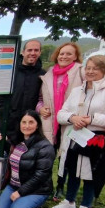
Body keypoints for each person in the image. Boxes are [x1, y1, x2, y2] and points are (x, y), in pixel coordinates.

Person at [51, 55, 105, 208]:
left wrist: (92, 119)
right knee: (72, 168)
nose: (90, 72)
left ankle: (86, 206)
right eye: (88, 68)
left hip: (96, 138)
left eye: (95, 69)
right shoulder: (78, 90)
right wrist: (72, 118)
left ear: (104, 71)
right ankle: (69, 201)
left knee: (92, 171)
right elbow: (61, 113)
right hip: (75, 136)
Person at [38, 42, 84, 199]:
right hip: (50, 121)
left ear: (76, 56)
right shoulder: (49, 74)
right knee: (49, 153)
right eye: (61, 53)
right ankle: (46, 185)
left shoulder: (81, 72)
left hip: (71, 121)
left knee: (67, 156)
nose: (64, 56)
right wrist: (40, 108)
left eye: (68, 54)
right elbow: (40, 99)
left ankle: (61, 186)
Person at [0, 111, 55, 208]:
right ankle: (17, 206)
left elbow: (41, 175)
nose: (27, 126)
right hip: (14, 186)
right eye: (24, 122)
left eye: (31, 122)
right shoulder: (17, 142)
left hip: (36, 190)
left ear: (37, 125)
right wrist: (4, 142)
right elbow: (14, 159)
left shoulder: (45, 147)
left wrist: (20, 192)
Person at [0, 40, 46, 141]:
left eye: (36, 50)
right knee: (6, 155)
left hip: (29, 127)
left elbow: (43, 98)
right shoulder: (9, 71)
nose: (32, 53)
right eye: (29, 50)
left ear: (40, 52)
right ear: (23, 52)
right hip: (8, 125)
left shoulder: (43, 75)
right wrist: (5, 112)